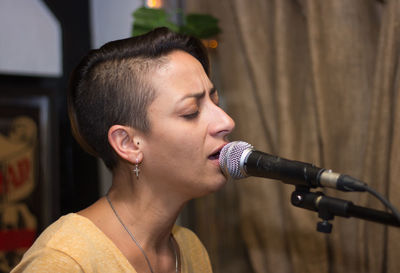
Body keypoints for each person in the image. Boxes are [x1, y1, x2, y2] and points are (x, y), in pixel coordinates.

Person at [11, 27, 235, 273]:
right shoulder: (63, 262)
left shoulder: (189, 247)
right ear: (128, 144)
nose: (226, 122)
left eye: (214, 101)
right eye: (191, 111)